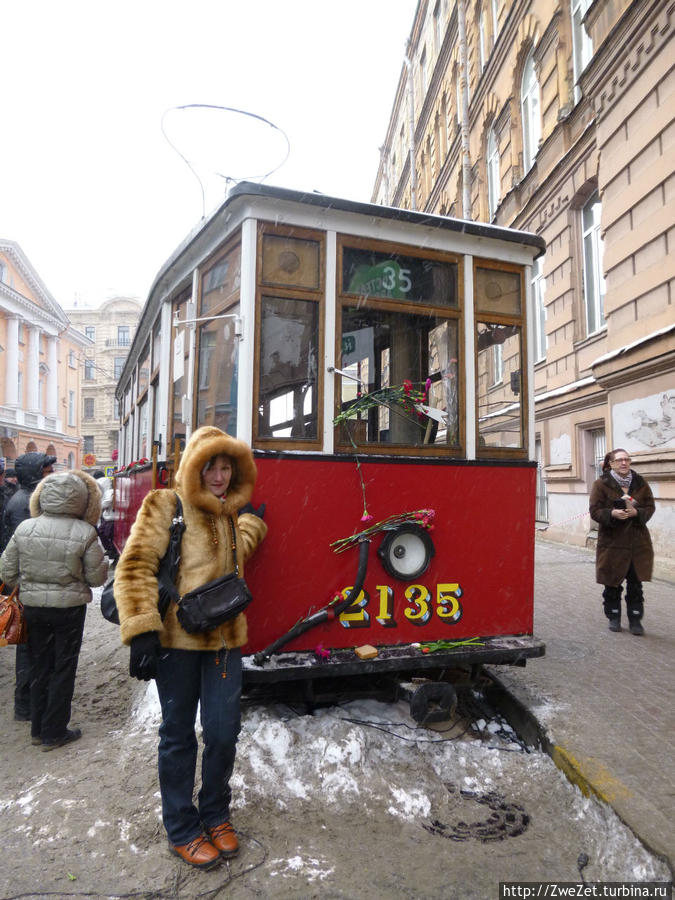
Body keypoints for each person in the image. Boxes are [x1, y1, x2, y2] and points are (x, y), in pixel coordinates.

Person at [113, 426, 267, 870]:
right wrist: (141, 629)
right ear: (194, 467)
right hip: (175, 645)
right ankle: (182, 827)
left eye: (226, 468)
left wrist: (253, 524)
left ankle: (215, 813)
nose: (219, 477)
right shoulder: (166, 504)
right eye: (210, 467)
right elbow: (136, 564)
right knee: (178, 737)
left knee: (223, 733)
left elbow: (232, 559)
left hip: (223, 642)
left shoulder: (231, 513)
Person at [0, 470, 108, 748]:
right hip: (69, 611)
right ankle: (54, 731)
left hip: (34, 608)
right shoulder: (85, 533)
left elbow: (6, 571)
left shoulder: (25, 528)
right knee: (63, 667)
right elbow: (97, 578)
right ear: (80, 500)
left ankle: (37, 729)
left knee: (39, 665)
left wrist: (29, 584)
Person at [0, 452, 57, 720]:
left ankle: (29, 703)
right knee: (29, 648)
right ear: (35, 475)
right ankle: (26, 706)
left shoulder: (24, 499)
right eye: (46, 472)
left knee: (31, 646)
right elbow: (26, 547)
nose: (51, 475)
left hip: (29, 584)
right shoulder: (24, 504)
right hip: (28, 586)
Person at [589, 448, 655, 635]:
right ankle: (614, 617)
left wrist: (637, 512)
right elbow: (594, 510)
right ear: (611, 463)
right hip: (612, 544)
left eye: (627, 459)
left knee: (635, 584)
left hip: (637, 543)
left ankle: (635, 619)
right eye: (619, 460)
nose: (624, 463)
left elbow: (650, 506)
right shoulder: (601, 484)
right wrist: (611, 513)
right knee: (612, 584)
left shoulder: (640, 483)